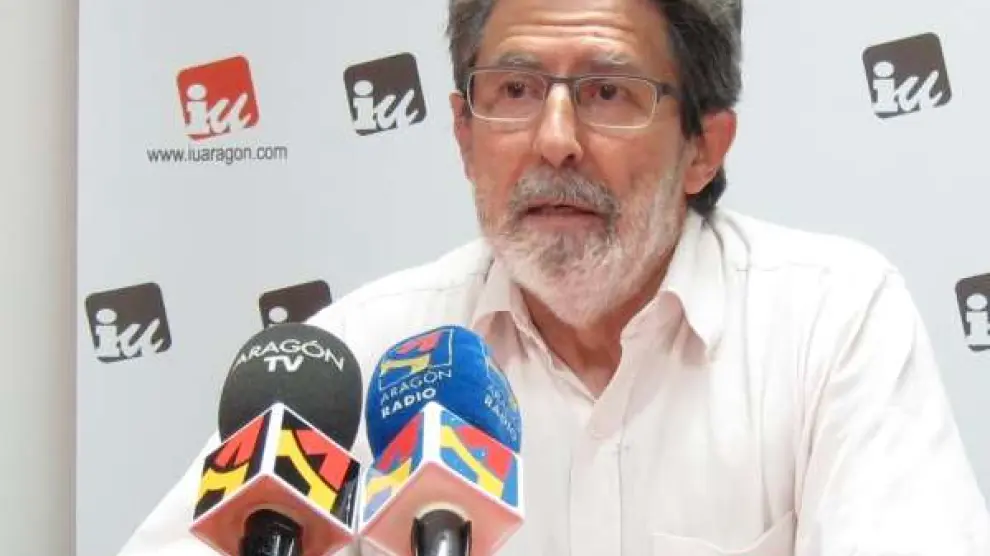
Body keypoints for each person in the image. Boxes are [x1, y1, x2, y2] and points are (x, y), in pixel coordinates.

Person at [117, 0, 990, 554]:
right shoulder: (359, 357)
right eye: (515, 90)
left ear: (703, 147)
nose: (555, 140)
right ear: (464, 138)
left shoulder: (830, 323)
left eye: (608, 93)